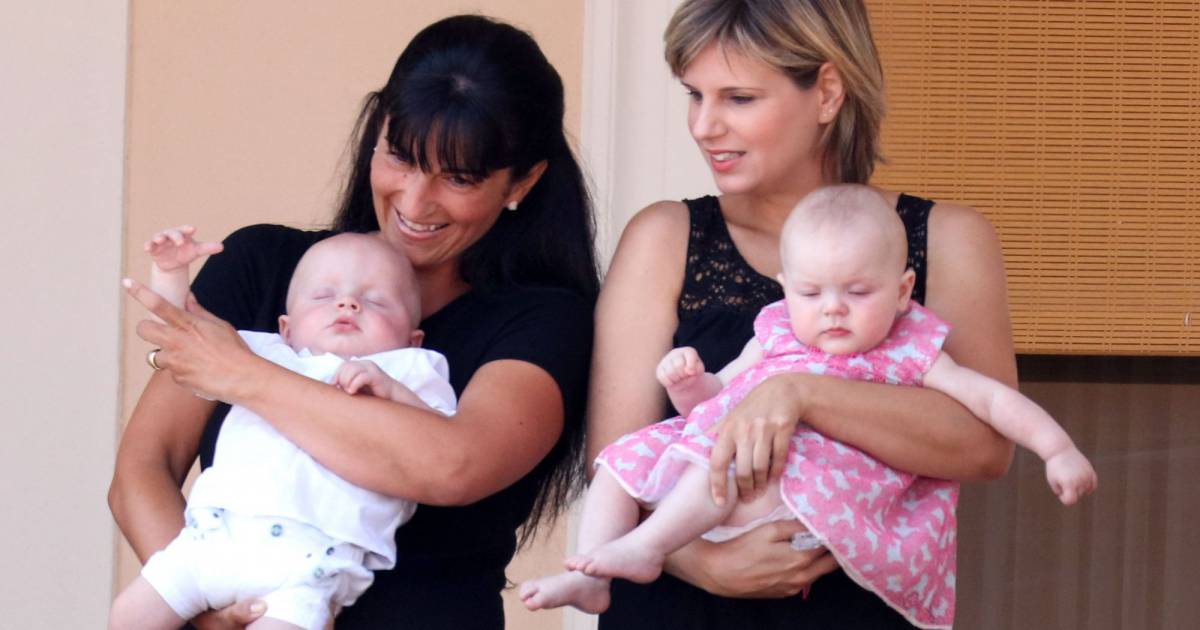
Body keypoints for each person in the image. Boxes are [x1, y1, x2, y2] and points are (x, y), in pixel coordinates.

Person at [109, 14, 597, 630]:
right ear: (377, 131)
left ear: (521, 181)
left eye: (460, 177)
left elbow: (454, 465)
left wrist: (245, 375)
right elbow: (142, 468)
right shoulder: (261, 266)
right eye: (401, 157)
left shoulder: (543, 320)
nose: (416, 203)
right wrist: (210, 608)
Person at [587, 1, 1025, 628]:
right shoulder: (665, 236)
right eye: (694, 95)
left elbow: (984, 446)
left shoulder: (949, 239)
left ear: (826, 92)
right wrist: (700, 560)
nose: (705, 126)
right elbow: (614, 452)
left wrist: (798, 394)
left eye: (737, 98)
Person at [522, 185, 1097, 628]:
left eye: (858, 292)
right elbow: (722, 391)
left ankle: (645, 547)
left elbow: (993, 403)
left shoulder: (911, 348)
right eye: (811, 293)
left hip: (786, 493)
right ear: (784, 287)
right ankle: (595, 573)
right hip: (712, 506)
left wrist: (1057, 448)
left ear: (902, 291)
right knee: (622, 464)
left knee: (717, 463)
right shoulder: (775, 333)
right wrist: (688, 385)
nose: (833, 311)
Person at [110, 229, 457, 630]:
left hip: (309, 568)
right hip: (210, 544)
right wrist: (170, 273)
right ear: (286, 328)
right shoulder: (265, 355)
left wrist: (393, 389)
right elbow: (182, 331)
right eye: (324, 296)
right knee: (128, 615)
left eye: (376, 301)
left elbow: (440, 443)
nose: (347, 303)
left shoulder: (411, 370)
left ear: (412, 338)